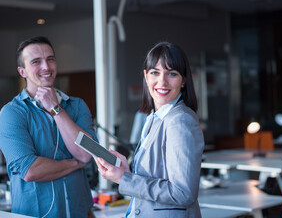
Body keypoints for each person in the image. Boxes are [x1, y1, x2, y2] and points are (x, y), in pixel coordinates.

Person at [94, 41, 204, 217]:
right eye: (155, 72)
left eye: (172, 74)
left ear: (183, 81)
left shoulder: (180, 121)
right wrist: (126, 172)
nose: (162, 81)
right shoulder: (154, 118)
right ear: (146, 77)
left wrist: (124, 179)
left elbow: (183, 193)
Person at [0, 36, 97, 218]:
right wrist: (76, 164)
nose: (46, 67)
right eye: (36, 62)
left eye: (50, 59)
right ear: (22, 71)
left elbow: (86, 153)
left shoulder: (77, 106)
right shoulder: (11, 113)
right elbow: (30, 170)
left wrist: (56, 109)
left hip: (81, 213)